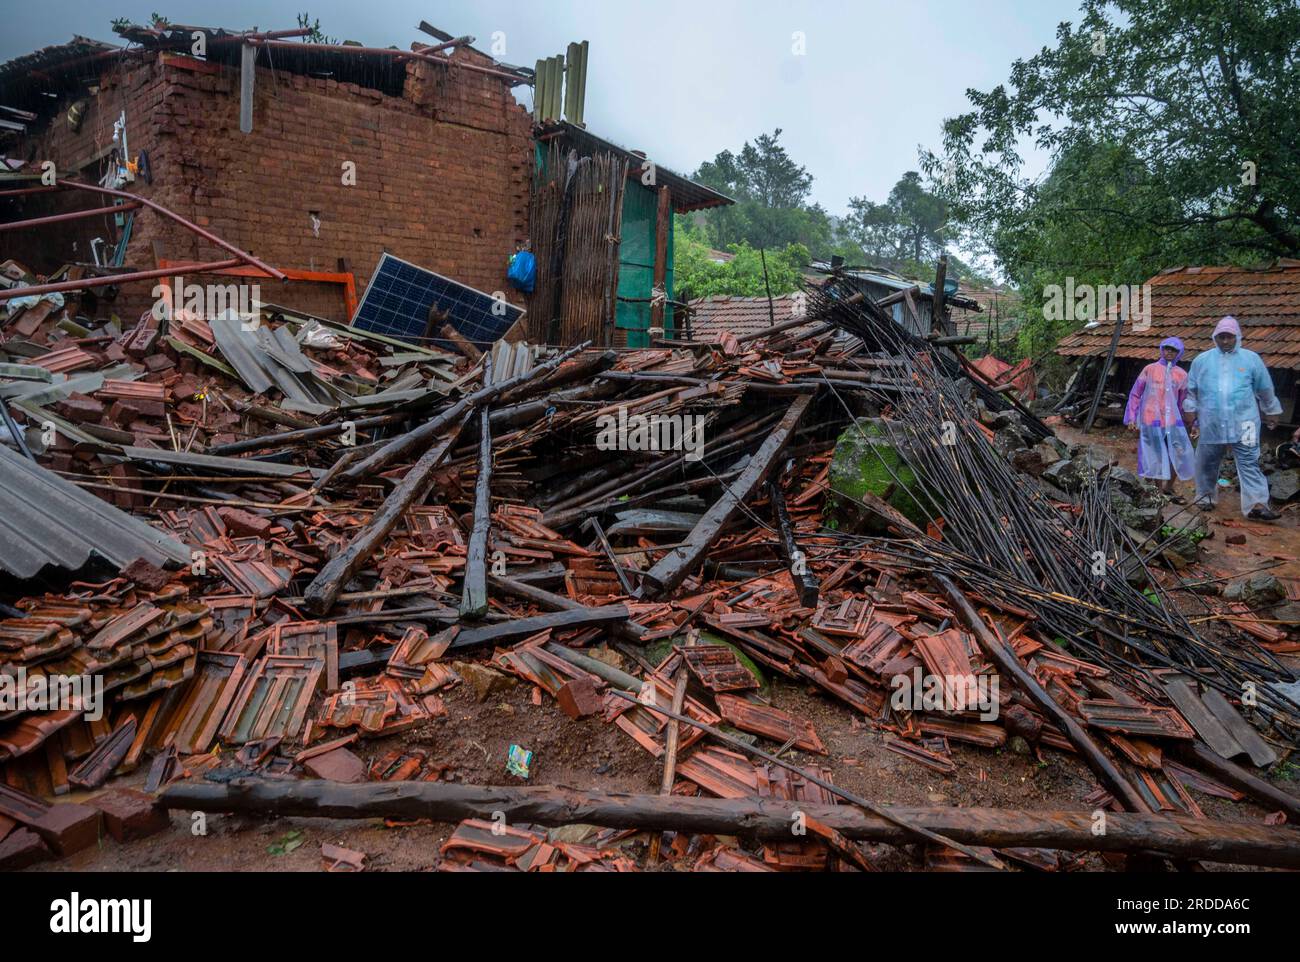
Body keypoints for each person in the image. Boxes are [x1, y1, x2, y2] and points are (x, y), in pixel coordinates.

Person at [1183, 316, 1283, 520]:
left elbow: (1265, 388)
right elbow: (1191, 390)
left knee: (1249, 461)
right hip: (1211, 421)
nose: (1225, 341)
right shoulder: (1202, 360)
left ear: (1237, 337)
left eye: (1229, 337)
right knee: (1207, 461)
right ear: (1215, 337)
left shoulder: (1251, 359)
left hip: (1245, 422)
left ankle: (1257, 504)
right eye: (1221, 337)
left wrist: (1271, 410)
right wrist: (1190, 410)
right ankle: (1205, 497)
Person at [1123, 337, 1194, 502]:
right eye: (1167, 348)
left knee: (1178, 453)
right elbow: (1135, 394)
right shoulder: (1150, 369)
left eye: (1173, 350)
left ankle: (1168, 487)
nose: (1169, 352)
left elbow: (1184, 401)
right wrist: (1132, 418)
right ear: (1162, 349)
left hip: (1172, 422)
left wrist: (1192, 422)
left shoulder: (1182, 375)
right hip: (1150, 420)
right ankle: (1153, 490)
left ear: (1179, 353)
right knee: (1152, 454)